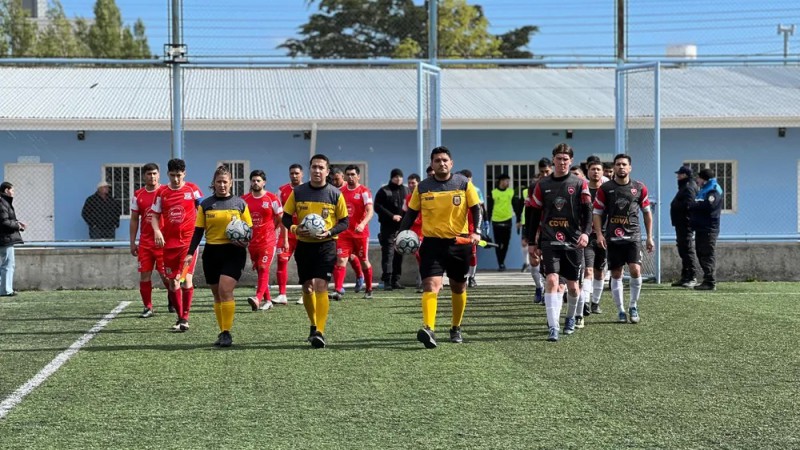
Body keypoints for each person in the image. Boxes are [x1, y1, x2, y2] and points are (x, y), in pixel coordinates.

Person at [400, 146, 482, 349]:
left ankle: (456, 327)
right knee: (430, 285)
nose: (441, 163)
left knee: (458, 287)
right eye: (437, 160)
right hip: (432, 244)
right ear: (432, 164)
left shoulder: (463, 183)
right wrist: (401, 234)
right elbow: (411, 214)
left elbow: (476, 208)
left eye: (445, 160)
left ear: (451, 163)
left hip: (458, 243)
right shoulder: (423, 187)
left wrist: (477, 231)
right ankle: (429, 328)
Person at [525, 144, 592, 341]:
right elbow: (533, 214)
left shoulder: (579, 183)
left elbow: (588, 211)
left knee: (573, 287)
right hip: (549, 239)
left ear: (571, 161)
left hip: (573, 241)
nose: (562, 162)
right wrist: (531, 241)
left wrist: (586, 233)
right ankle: (553, 327)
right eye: (559, 158)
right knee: (552, 280)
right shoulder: (542, 184)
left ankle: (570, 317)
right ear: (553, 159)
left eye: (566, 159)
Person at [282, 154, 349, 349]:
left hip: (326, 245)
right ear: (309, 170)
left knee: (321, 285)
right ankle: (313, 324)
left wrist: (330, 231)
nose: (317, 171)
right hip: (304, 245)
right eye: (314, 167)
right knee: (307, 287)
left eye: (321, 168)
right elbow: (286, 217)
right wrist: (294, 229)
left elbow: (345, 222)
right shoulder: (298, 192)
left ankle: (320, 331)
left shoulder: (335, 194)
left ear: (327, 172)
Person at [187, 165, 253, 347]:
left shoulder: (240, 204)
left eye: (225, 182)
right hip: (212, 253)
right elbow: (198, 231)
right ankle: (222, 330)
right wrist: (189, 253)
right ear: (213, 184)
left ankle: (227, 332)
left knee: (225, 290)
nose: (222, 185)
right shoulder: (206, 205)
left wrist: (246, 241)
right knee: (217, 295)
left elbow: (249, 229)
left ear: (231, 183)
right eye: (219, 182)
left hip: (234, 252)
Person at [593, 154, 654, 324]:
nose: (621, 167)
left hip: (633, 236)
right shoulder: (605, 189)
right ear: (613, 168)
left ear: (630, 168)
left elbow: (647, 213)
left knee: (635, 270)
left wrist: (649, 237)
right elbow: (596, 213)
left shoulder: (639, 188)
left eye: (624, 164)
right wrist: (599, 234)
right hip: (613, 237)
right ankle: (620, 309)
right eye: (618, 164)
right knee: (616, 273)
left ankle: (633, 306)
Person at [151, 159, 203, 332]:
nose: (176, 179)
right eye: (172, 175)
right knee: (172, 282)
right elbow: (154, 216)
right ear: (168, 174)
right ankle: (180, 317)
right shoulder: (162, 193)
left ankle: (185, 318)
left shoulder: (192, 190)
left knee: (186, 278)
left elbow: (203, 209)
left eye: (179, 175)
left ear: (184, 174)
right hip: (169, 243)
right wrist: (157, 231)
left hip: (188, 243)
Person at [129, 163, 171, 318]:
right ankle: (148, 307)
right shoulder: (138, 195)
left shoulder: (166, 192)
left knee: (166, 275)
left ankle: (172, 296)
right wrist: (132, 242)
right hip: (145, 242)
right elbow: (134, 219)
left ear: (159, 175)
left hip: (163, 242)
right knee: (144, 275)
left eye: (154, 173)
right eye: (149, 174)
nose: (152, 177)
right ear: (143, 176)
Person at [332, 165, 375, 300]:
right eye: (348, 175)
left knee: (363, 261)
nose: (350, 177)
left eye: (353, 174)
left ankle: (369, 289)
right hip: (344, 234)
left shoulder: (364, 191)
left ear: (358, 176)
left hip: (360, 234)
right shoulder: (340, 192)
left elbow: (370, 210)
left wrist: (362, 224)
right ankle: (338, 290)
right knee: (341, 260)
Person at [242, 170, 283, 310]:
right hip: (252, 242)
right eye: (253, 180)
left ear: (264, 182)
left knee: (263, 267)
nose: (255, 183)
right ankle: (268, 300)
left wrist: (273, 231)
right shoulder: (244, 199)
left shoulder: (272, 198)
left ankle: (257, 298)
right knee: (260, 271)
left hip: (268, 241)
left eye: (258, 180)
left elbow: (279, 219)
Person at [521, 157, 553, 304]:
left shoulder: (558, 183)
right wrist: (528, 233)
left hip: (553, 228)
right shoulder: (534, 186)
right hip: (536, 228)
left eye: (547, 171)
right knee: (534, 260)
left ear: (551, 169)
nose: (545, 175)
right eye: (542, 172)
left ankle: (549, 290)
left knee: (549, 261)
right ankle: (539, 287)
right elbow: (529, 211)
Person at [374, 168, 408, 290]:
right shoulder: (384, 191)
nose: (398, 179)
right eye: (396, 177)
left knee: (399, 253)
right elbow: (377, 207)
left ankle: (396, 280)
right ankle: (387, 280)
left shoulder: (406, 190)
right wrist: (391, 216)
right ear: (391, 178)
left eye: (400, 177)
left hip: (401, 228)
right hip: (388, 227)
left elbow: (410, 207)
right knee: (388, 253)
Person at [583, 157, 609, 318]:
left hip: (605, 236)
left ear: (603, 172)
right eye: (593, 169)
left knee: (600, 272)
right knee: (588, 269)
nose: (595, 172)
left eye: (598, 169)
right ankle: (585, 301)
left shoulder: (608, 191)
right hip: (587, 236)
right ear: (588, 171)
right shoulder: (582, 190)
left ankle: (595, 302)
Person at [690, 168, 723, 291]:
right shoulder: (705, 189)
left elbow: (709, 205)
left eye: (698, 178)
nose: (697, 180)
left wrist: (693, 205)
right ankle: (707, 279)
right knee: (701, 252)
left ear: (704, 179)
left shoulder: (713, 189)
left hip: (709, 227)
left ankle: (710, 281)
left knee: (707, 253)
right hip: (702, 227)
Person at [277, 164, 304, 305]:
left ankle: (305, 293)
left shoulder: (307, 190)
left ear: (302, 174)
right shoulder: (282, 191)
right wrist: (284, 237)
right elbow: (281, 215)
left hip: (303, 233)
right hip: (287, 232)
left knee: (304, 263)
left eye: (297, 173)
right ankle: (282, 294)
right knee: (281, 260)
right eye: (292, 173)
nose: (294, 175)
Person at [670, 165, 700, 288]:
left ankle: (692, 276)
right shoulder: (685, 186)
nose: (678, 176)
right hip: (681, 223)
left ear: (685, 175)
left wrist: (682, 212)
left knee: (687, 249)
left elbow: (689, 205)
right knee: (683, 249)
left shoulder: (688, 187)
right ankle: (685, 276)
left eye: (680, 174)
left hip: (685, 223)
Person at [458, 169, 484, 288]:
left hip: (470, 229)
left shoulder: (474, 191)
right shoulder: (454, 193)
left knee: (472, 254)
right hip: (456, 229)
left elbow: (480, 210)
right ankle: (458, 276)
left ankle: (472, 277)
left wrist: (478, 230)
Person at [0, 182, 25, 297]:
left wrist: (17, 223)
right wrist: (17, 226)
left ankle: (5, 289)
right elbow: (4, 222)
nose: (13, 192)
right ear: (6, 190)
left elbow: (7, 219)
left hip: (5, 238)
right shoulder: (2, 203)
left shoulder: (4, 202)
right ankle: (6, 290)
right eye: (12, 190)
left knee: (6, 264)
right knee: (8, 264)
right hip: (5, 238)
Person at [488, 174, 516, 271]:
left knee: (506, 243)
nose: (508, 183)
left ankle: (502, 262)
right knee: (498, 244)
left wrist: (519, 219)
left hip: (508, 220)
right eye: (506, 181)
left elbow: (515, 206)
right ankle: (500, 263)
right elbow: (490, 208)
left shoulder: (511, 192)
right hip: (496, 221)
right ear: (501, 181)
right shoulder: (493, 192)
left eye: (509, 181)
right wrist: (487, 220)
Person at [403, 173, 424, 292]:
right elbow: (405, 214)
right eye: (409, 183)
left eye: (413, 183)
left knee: (423, 255)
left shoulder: (424, 196)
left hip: (424, 230)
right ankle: (422, 280)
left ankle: (423, 282)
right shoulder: (408, 198)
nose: (411, 185)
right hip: (413, 231)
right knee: (418, 256)